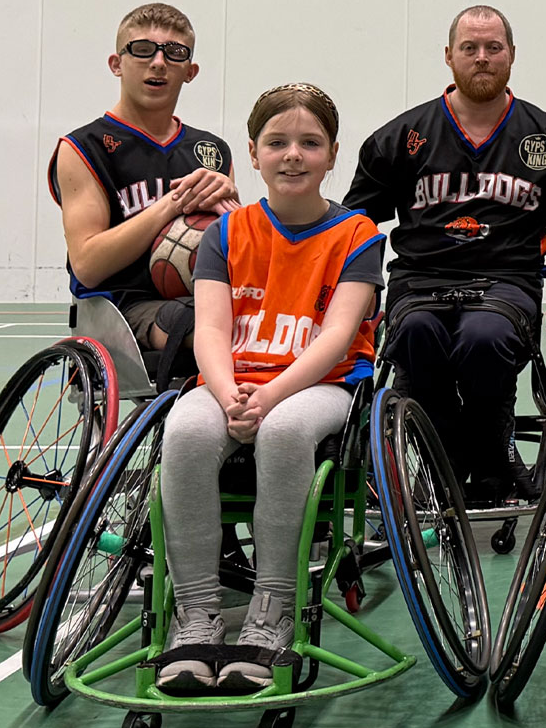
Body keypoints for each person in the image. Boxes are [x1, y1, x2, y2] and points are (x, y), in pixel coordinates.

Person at [156, 84, 383, 694]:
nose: (293, 155)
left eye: (310, 143)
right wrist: (228, 391)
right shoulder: (227, 233)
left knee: (283, 432)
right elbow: (210, 329)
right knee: (185, 430)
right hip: (232, 380)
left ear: (332, 154)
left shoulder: (358, 234)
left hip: (319, 384)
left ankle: (273, 608)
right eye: (277, 142)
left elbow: (338, 337)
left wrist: (271, 395)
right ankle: (196, 615)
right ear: (253, 154)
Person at [346, 5, 546, 506]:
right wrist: (354, 297)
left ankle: (489, 459)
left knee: (483, 338)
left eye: (493, 47)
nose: (481, 57)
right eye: (470, 48)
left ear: (512, 55)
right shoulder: (400, 137)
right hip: (419, 280)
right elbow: (353, 227)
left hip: (507, 282)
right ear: (449, 56)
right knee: (416, 333)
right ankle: (449, 456)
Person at [48, 2, 239, 364]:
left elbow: (230, 252)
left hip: (205, 295)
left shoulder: (212, 151)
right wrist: (171, 205)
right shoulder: (83, 147)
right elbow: (87, 264)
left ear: (190, 71)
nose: (158, 62)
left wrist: (237, 218)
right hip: (122, 309)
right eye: (142, 49)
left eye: (175, 53)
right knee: (204, 324)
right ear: (116, 64)